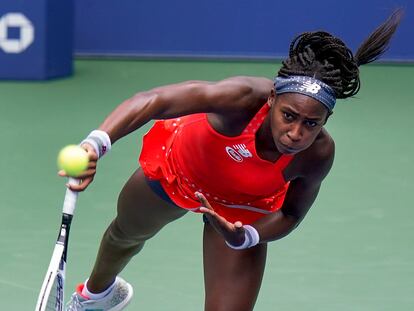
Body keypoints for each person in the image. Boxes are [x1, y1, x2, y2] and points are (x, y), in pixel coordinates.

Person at [64, 9, 402, 311]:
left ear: (325, 120)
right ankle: (96, 297)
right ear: (272, 99)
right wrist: (97, 143)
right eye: (289, 115)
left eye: (311, 123)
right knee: (125, 235)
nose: (296, 133)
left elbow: (290, 213)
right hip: (180, 169)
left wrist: (248, 237)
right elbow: (154, 100)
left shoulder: (318, 155)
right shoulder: (240, 99)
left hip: (243, 210)